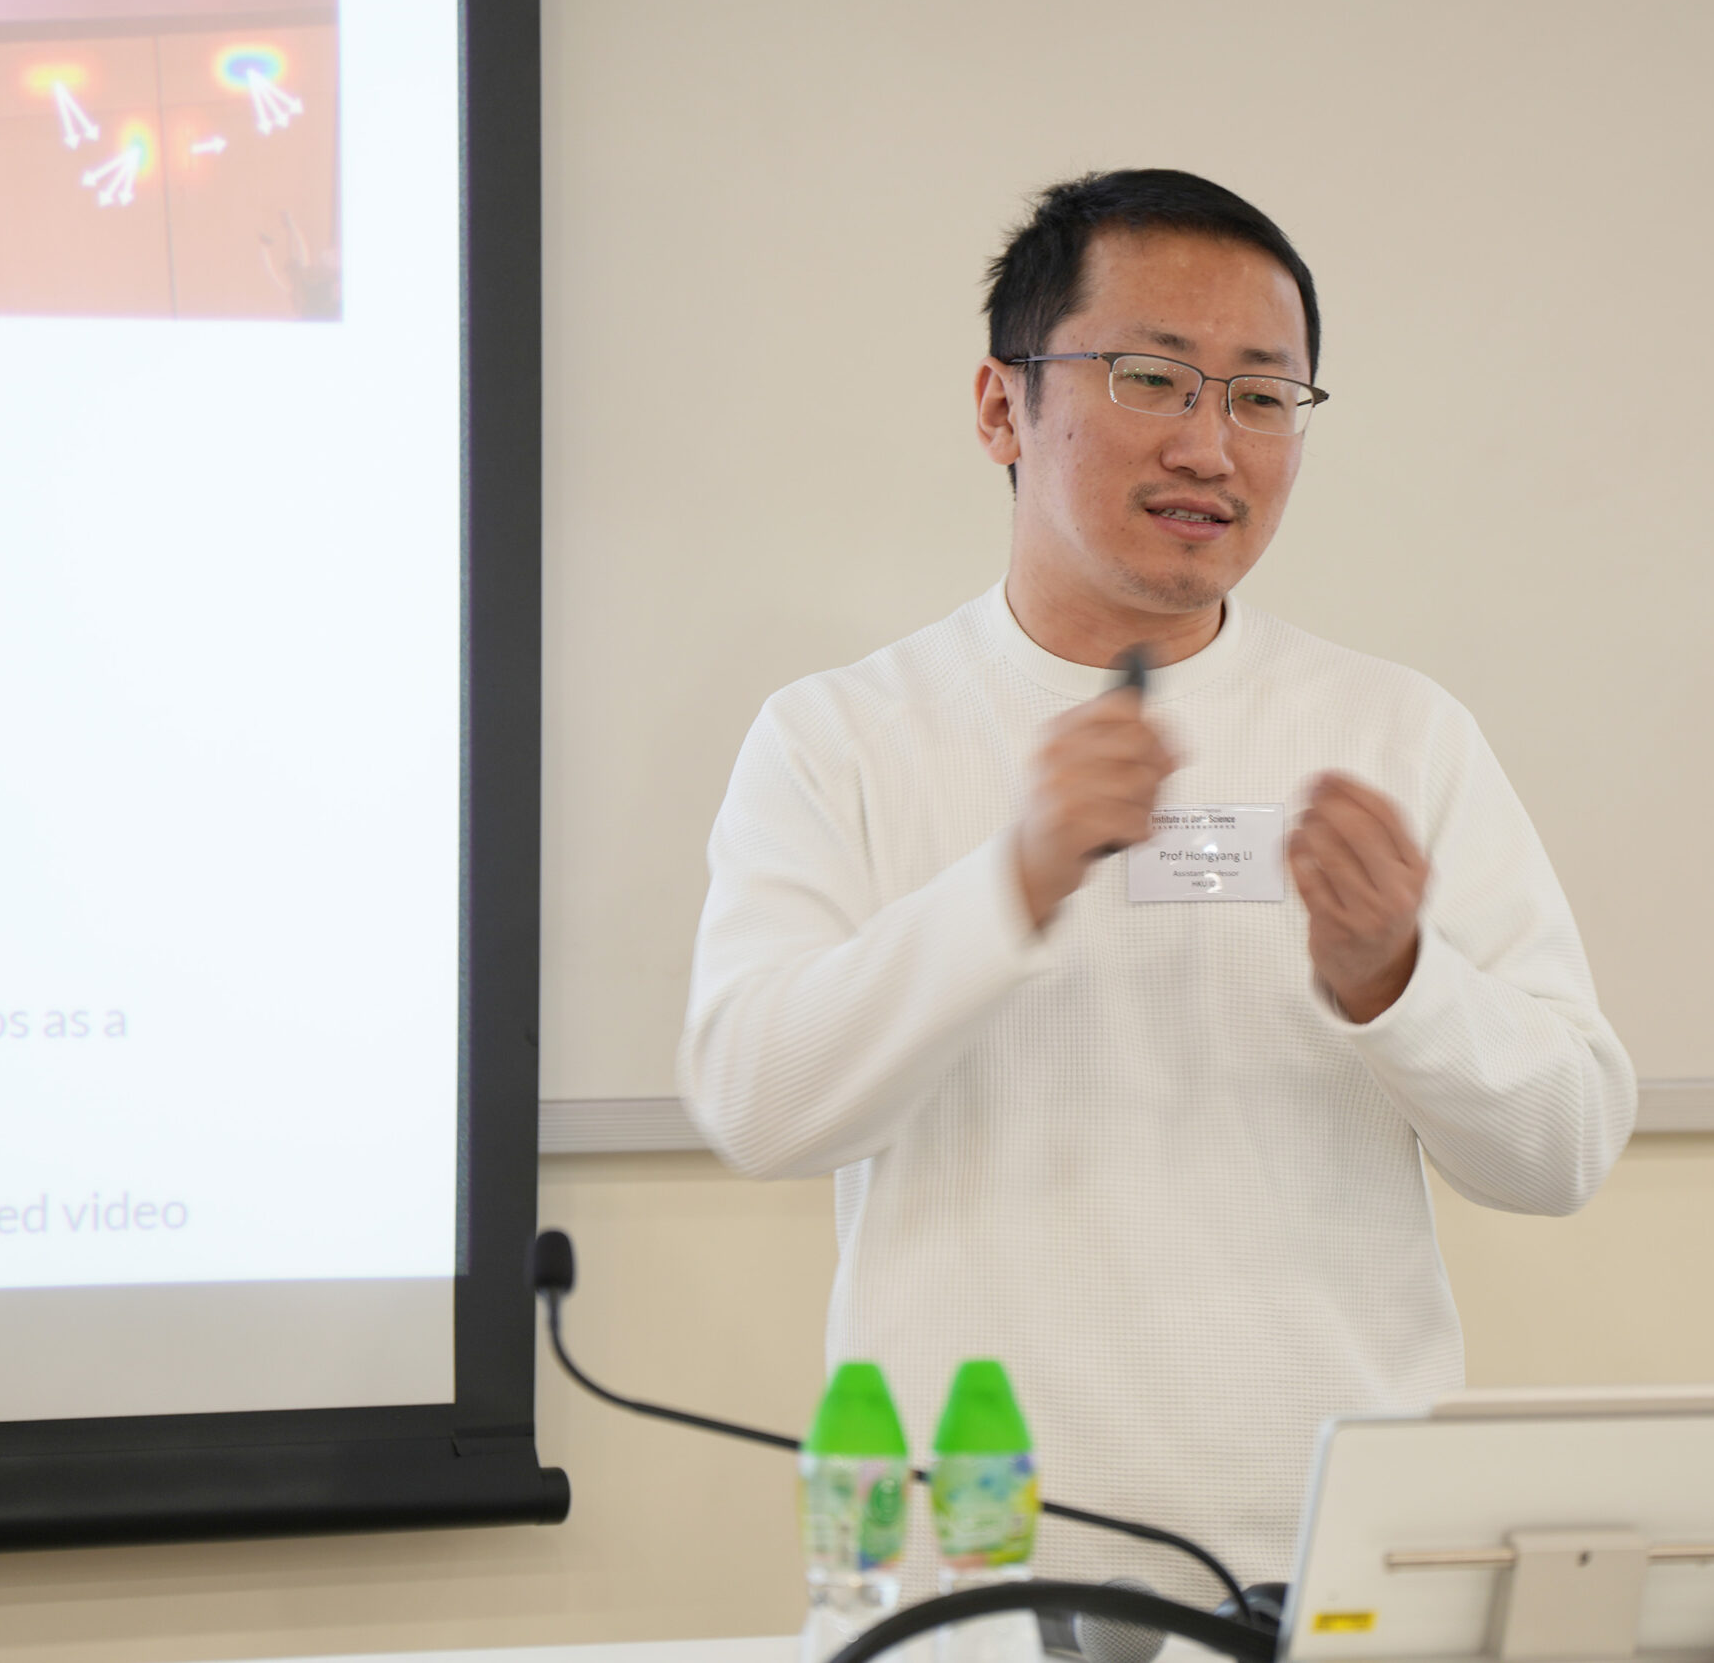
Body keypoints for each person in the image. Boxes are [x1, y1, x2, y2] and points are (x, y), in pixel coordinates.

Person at [679, 169, 1636, 1595]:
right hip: (976, 1579)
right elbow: (759, 1107)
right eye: (1151, 378)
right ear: (1003, 405)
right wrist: (1011, 883)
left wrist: (1398, 981)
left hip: (1331, 1573)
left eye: (1263, 396)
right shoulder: (842, 738)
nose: (1211, 445)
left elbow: (1563, 1148)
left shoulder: (1396, 733)